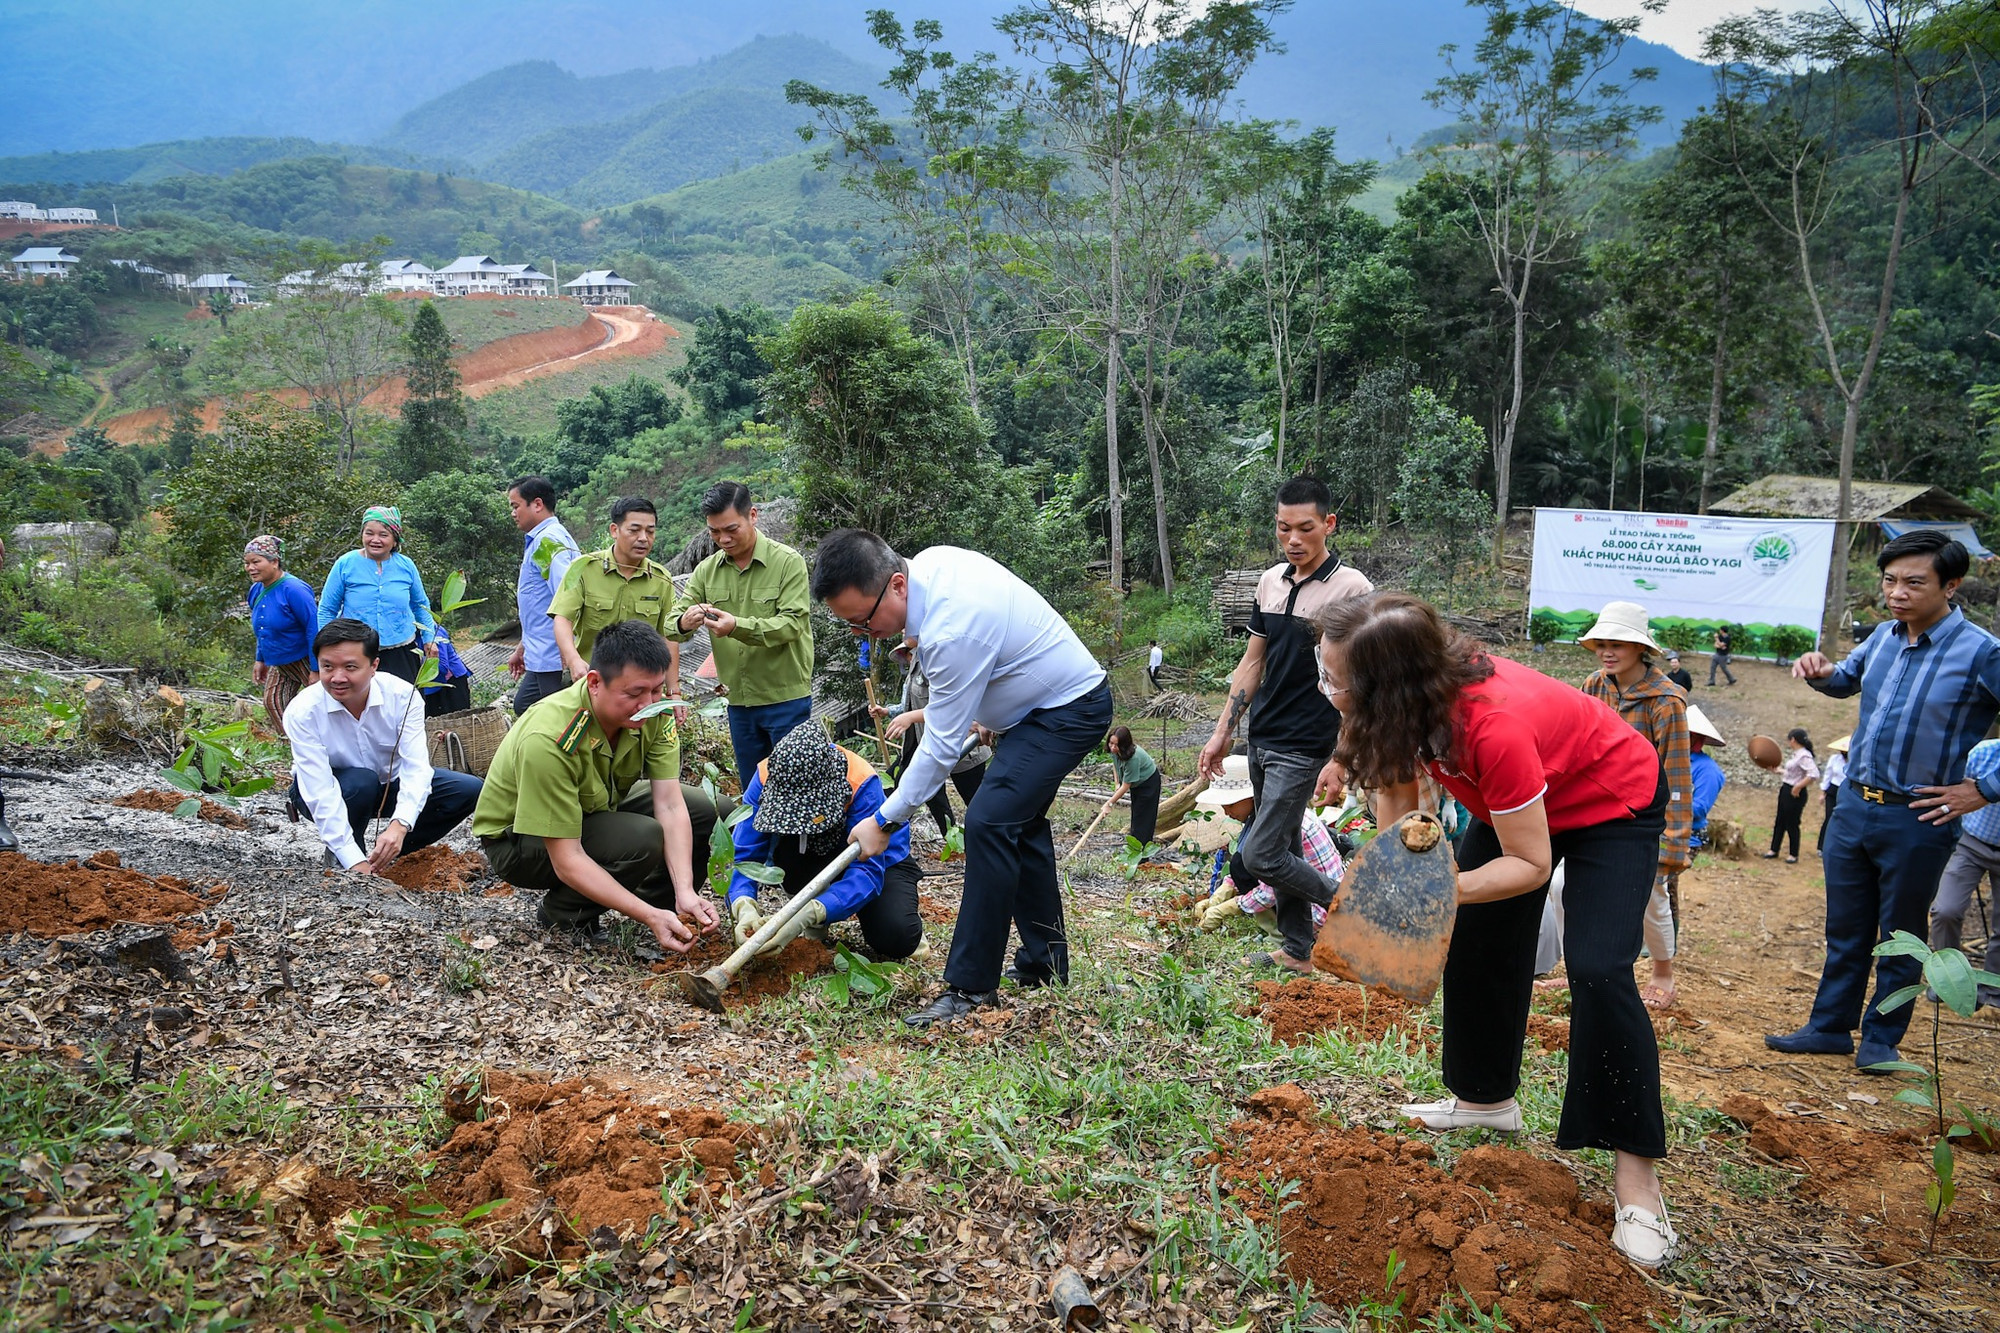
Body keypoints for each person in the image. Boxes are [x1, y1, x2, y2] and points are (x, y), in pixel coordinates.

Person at [1317, 591, 1678, 1268]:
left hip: (1608, 800)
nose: (1326, 688)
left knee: (1599, 968)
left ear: (1384, 686)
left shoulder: (1493, 726)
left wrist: (1438, 888)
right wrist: (1398, 873)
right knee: (1478, 938)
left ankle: (1638, 1178)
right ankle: (1485, 1099)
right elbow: (1399, 798)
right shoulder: (1404, 706)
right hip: (1520, 799)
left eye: (1334, 678)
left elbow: (1531, 864)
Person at [812, 529, 1112, 1027]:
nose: (864, 633)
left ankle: (971, 988)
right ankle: (1045, 963)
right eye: (851, 625)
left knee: (989, 823)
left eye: (863, 621)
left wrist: (884, 820)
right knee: (1018, 826)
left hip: (1068, 709)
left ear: (897, 585)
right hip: (1034, 711)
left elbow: (940, 747)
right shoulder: (929, 567)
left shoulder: (952, 628)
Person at [1772, 530, 2000, 1069]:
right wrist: (1821, 671)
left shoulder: (1982, 653)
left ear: (1951, 585)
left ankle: (1880, 1040)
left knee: (1901, 934)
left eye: (1914, 582)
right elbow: (1844, 680)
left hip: (1917, 817)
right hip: (1853, 806)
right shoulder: (1882, 637)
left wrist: (1982, 789)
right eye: (1890, 580)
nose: (1898, 593)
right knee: (1845, 928)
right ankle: (1829, 1027)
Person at [1197, 475, 1374, 976]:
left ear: (1329, 524)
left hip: (1307, 741)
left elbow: (1363, 680)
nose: (1293, 540)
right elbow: (1252, 662)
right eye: (1283, 528)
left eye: (1305, 528)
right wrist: (1223, 730)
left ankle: (1357, 915)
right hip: (1263, 734)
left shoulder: (1353, 589)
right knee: (1287, 844)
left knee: (1262, 853)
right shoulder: (1269, 582)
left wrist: (1343, 755)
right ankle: (1298, 950)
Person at [472, 620, 721, 949]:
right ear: (594, 683)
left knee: (707, 808)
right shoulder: (550, 736)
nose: (649, 704)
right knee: (642, 837)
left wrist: (684, 889)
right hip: (520, 840)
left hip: (595, 806)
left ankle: (664, 907)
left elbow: (671, 805)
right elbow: (567, 858)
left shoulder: (652, 712)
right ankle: (564, 914)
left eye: (656, 690)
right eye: (634, 693)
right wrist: (646, 916)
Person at [284, 618, 483, 874]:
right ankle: (347, 856)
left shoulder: (402, 697)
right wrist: (352, 858)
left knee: (467, 789)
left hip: (389, 785)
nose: (338, 678)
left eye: (350, 667)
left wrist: (400, 825)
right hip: (338, 790)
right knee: (361, 781)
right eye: (327, 667)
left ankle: (391, 855)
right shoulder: (303, 711)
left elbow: (416, 767)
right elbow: (319, 789)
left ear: (374, 666)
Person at [726, 721, 929, 962]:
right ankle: (817, 919)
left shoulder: (860, 780)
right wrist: (743, 904)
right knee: (790, 858)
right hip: (810, 850)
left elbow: (868, 870)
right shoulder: (765, 777)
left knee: (895, 934)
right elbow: (745, 854)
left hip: (880, 859)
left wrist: (813, 911)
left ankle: (836, 911)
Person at [1580, 601, 1692, 1010]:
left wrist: (1673, 842)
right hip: (1594, 809)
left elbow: (1676, 774)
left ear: (1640, 648)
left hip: (1643, 816)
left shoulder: (1665, 702)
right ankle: (1579, 968)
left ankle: (1663, 972)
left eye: (1617, 644)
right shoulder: (1595, 685)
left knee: (1649, 895)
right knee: (1566, 889)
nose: (1607, 652)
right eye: (1601, 644)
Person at [670, 482, 814, 782]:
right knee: (753, 788)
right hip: (738, 704)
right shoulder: (706, 571)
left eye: (731, 529)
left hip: (785, 700)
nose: (723, 539)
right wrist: (685, 621)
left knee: (794, 786)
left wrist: (736, 627)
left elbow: (792, 624)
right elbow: (671, 623)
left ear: (753, 515)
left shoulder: (787, 562)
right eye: (714, 531)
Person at [1192, 755, 1346, 936]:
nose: (1227, 812)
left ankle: (1282, 935)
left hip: (1320, 914)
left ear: (1251, 797)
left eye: (1231, 805)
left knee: (1242, 865)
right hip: (1320, 898)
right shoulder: (1265, 815)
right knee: (1241, 863)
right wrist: (1221, 893)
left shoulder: (1280, 825)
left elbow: (1270, 891)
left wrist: (1227, 908)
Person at [550, 497, 681, 693]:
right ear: (614, 530)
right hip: (591, 682)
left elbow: (668, 636)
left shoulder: (661, 579)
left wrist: (673, 690)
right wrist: (573, 660)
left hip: (640, 690)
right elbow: (562, 618)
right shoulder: (584, 568)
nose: (643, 538)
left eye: (650, 531)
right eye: (634, 530)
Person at [872, 637, 989, 834]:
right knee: (924, 794)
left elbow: (949, 706)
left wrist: (910, 717)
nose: (907, 658)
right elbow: (907, 705)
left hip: (961, 744)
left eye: (907, 653)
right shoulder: (914, 670)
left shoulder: (938, 659)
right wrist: (887, 711)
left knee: (978, 804)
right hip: (926, 745)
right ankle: (948, 837)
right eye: (904, 655)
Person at [317, 506, 437, 685]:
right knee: (358, 699)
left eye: (383, 535)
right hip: (356, 652)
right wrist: (329, 646)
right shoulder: (345, 564)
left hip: (401, 650)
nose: (375, 540)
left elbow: (421, 605)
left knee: (404, 699)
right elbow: (327, 609)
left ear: (395, 540)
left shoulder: (406, 566)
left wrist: (429, 638)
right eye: (369, 533)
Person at [1930, 737, 2000, 1009]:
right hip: (1971, 842)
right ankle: (1949, 980)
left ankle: (1993, 992)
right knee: (1945, 909)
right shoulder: (1984, 753)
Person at [505, 475, 580, 716]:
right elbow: (539, 603)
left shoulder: (547, 541)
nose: (513, 513)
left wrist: (568, 651)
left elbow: (566, 595)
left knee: (556, 719)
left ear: (537, 504)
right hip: (540, 651)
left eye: (516, 506)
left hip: (553, 654)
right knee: (524, 706)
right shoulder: (540, 539)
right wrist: (522, 647)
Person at [243, 534, 318, 734]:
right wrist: (260, 659)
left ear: (274, 562)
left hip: (304, 657)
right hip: (280, 661)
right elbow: (262, 628)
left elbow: (313, 627)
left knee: (323, 703)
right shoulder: (255, 590)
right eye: (247, 563)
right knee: (274, 703)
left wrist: (316, 669)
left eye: (256, 562)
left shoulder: (294, 589)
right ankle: (294, 744)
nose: (250, 568)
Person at [1762, 728, 1819, 863]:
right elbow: (1794, 772)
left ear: (1793, 740)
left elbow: (1814, 774)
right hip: (1786, 789)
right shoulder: (1797, 754)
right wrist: (1779, 771)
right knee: (1780, 820)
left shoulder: (1804, 755)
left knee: (1792, 823)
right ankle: (1774, 849)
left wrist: (1798, 786)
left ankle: (1793, 853)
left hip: (1795, 793)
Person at [1105, 725, 1163, 849]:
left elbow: (1126, 786)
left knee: (1144, 819)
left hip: (1148, 783)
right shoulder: (1115, 751)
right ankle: (1134, 848)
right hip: (1137, 784)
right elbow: (1115, 765)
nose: (1113, 747)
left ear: (1124, 745)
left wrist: (1109, 804)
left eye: (1116, 745)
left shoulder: (1133, 758)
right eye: (1111, 743)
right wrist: (1117, 783)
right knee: (1136, 816)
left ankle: (1142, 854)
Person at [1687, 705, 1728, 853]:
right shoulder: (1669, 759)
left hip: (1686, 839)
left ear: (1695, 738)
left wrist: (1665, 805)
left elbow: (1699, 808)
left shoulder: (1707, 770)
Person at [421, 625, 475, 717]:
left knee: (457, 718)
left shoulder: (434, 632)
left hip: (450, 682)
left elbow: (442, 666)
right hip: (431, 685)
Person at [1818, 733, 1848, 855]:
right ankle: (1822, 846)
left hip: (1846, 792)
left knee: (1845, 819)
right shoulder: (1834, 759)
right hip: (1833, 790)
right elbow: (1828, 775)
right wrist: (1823, 792)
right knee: (1829, 817)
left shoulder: (1855, 761)